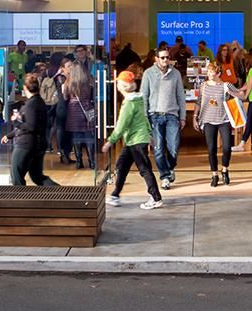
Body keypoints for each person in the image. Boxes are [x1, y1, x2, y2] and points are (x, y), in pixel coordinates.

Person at [102, 71, 164, 210]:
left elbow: (121, 125)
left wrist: (110, 141)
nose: (117, 85)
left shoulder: (129, 103)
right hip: (134, 140)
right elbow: (143, 118)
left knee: (144, 169)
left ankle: (156, 198)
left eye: (118, 83)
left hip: (136, 140)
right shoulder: (138, 100)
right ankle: (115, 195)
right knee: (121, 166)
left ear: (122, 86)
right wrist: (148, 133)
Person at [195, 60, 248, 186]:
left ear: (218, 73)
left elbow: (242, 95)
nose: (209, 74)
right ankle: (214, 174)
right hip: (208, 119)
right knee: (211, 149)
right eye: (208, 72)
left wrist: (232, 93)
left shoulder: (226, 85)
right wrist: (195, 117)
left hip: (224, 119)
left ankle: (225, 169)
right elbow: (199, 102)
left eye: (212, 72)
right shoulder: (203, 86)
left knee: (226, 147)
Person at [140, 47, 186, 190]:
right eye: (163, 57)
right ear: (156, 59)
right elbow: (144, 97)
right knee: (158, 148)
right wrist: (145, 118)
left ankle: (170, 168)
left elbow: (180, 96)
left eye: (168, 57)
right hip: (154, 115)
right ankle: (165, 176)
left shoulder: (175, 74)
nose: (166, 60)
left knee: (173, 147)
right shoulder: (148, 73)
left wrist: (182, 117)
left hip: (172, 115)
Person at [5, 74, 58, 187]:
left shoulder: (31, 105)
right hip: (38, 143)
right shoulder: (39, 102)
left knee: (17, 176)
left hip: (26, 144)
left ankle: (20, 196)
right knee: (37, 176)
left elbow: (30, 126)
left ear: (25, 88)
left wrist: (15, 122)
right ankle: (59, 192)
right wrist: (10, 135)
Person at [62, 56, 97, 169]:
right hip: (87, 109)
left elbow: (65, 97)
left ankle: (79, 161)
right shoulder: (89, 80)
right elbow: (93, 96)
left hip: (73, 111)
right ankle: (92, 161)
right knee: (89, 136)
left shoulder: (69, 82)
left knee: (76, 136)